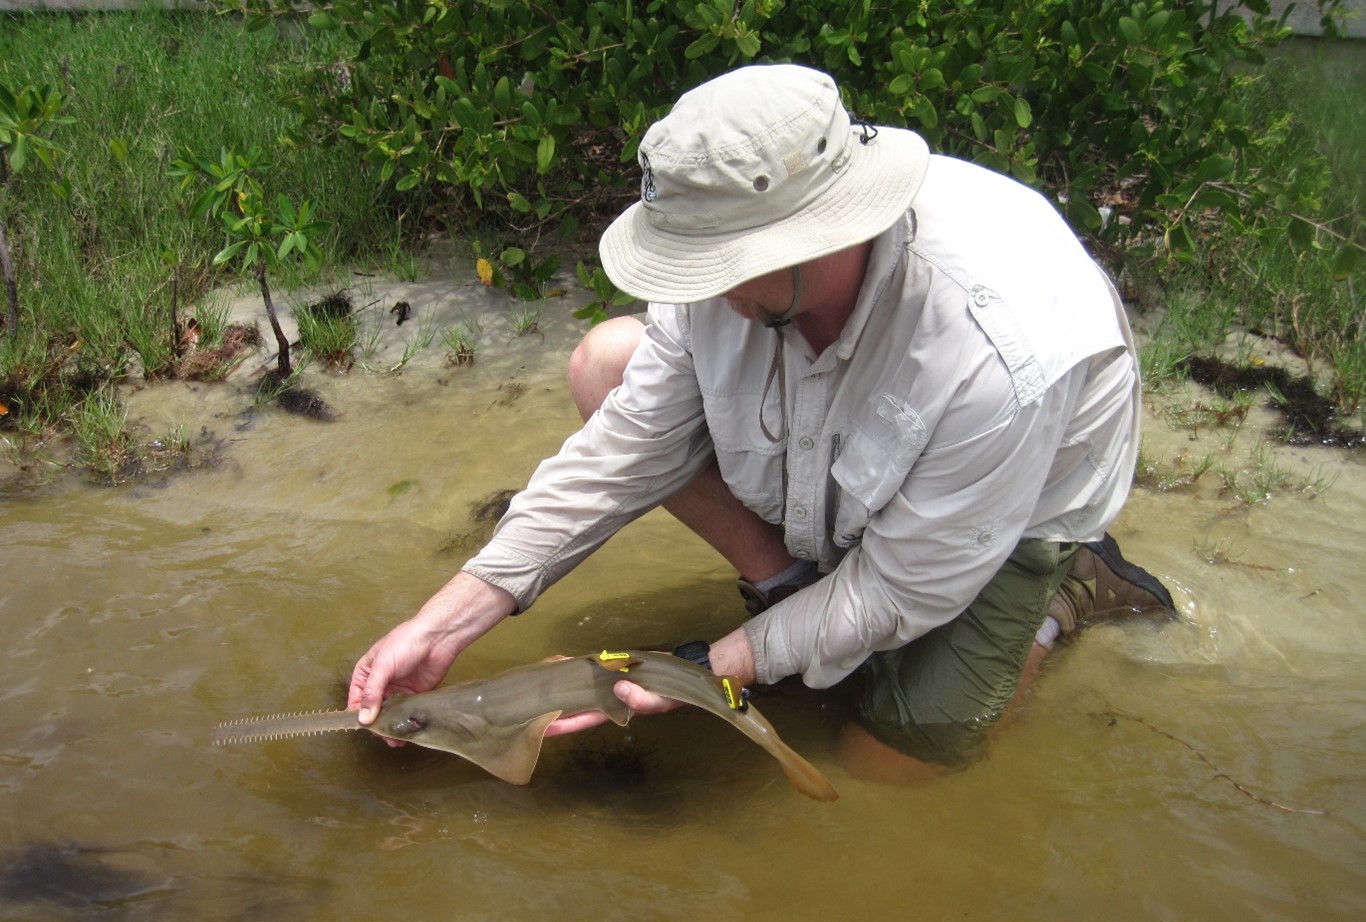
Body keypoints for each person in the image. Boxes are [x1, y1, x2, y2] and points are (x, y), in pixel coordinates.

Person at [348, 64, 1175, 781]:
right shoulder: (722, 282)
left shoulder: (993, 355)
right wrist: (444, 620)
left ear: (820, 235)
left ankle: (1065, 594)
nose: (696, 288)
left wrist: (709, 668)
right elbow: (625, 449)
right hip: (871, 462)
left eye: (716, 266)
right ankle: (791, 588)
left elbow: (900, 591)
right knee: (607, 363)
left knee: (896, 763)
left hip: (1014, 503)